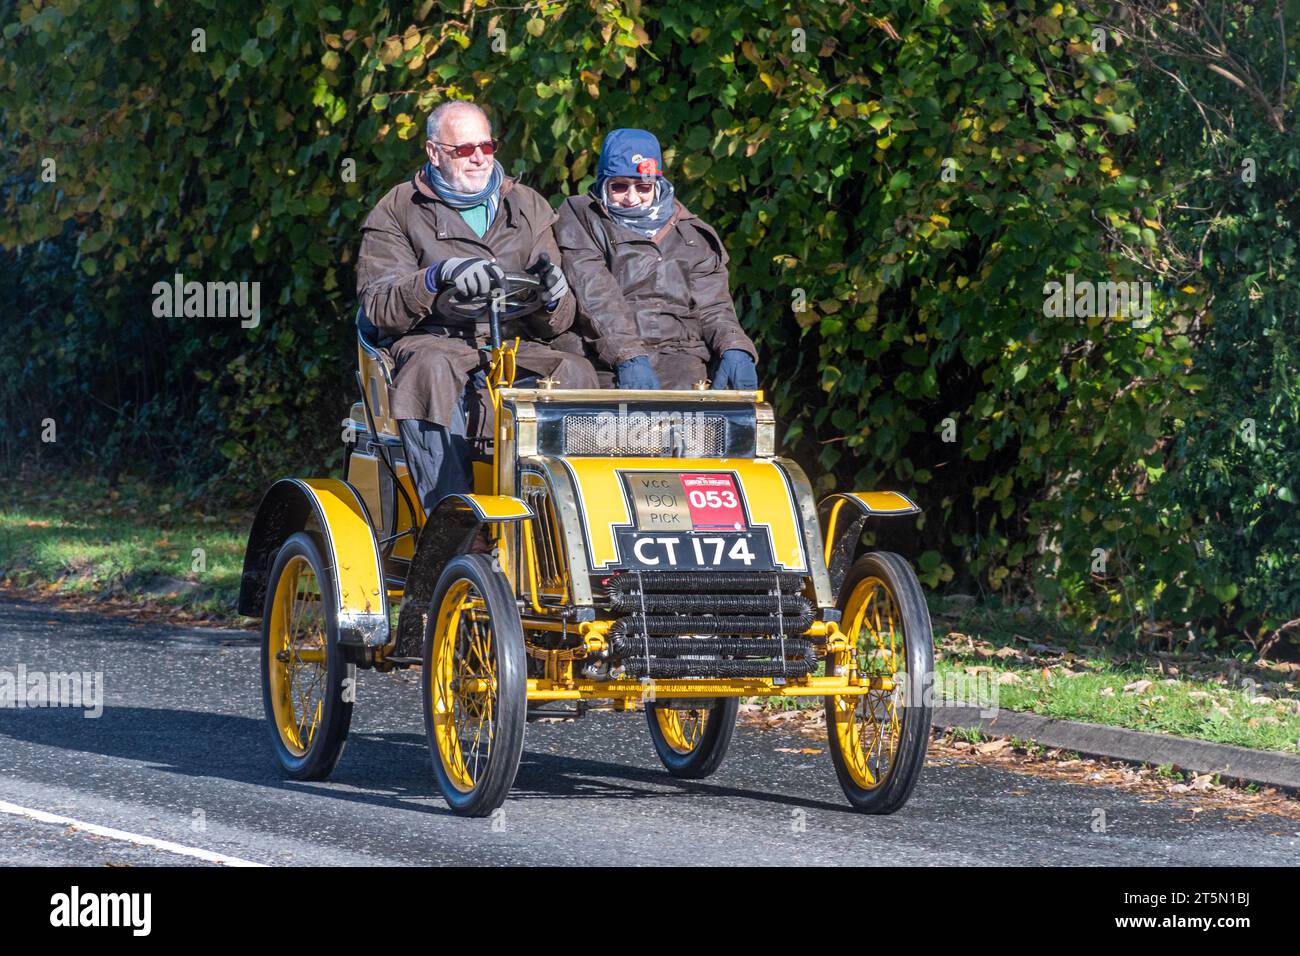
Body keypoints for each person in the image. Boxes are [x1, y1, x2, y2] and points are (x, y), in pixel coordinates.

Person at [356, 101, 597, 513]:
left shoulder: (528, 204)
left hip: (516, 343)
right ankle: (451, 521)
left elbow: (558, 322)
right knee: (429, 371)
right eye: (464, 149)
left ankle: (571, 517)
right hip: (435, 342)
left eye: (487, 146)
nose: (480, 158)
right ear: (434, 153)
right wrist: (436, 276)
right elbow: (378, 304)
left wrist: (554, 296)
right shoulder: (397, 209)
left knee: (576, 370)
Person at [554, 128, 758, 390]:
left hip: (682, 357)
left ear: (656, 185)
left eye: (643, 187)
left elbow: (713, 306)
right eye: (619, 187)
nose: (632, 198)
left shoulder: (692, 234)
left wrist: (735, 345)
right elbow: (594, 293)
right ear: (603, 183)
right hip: (604, 357)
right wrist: (628, 356)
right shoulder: (582, 217)